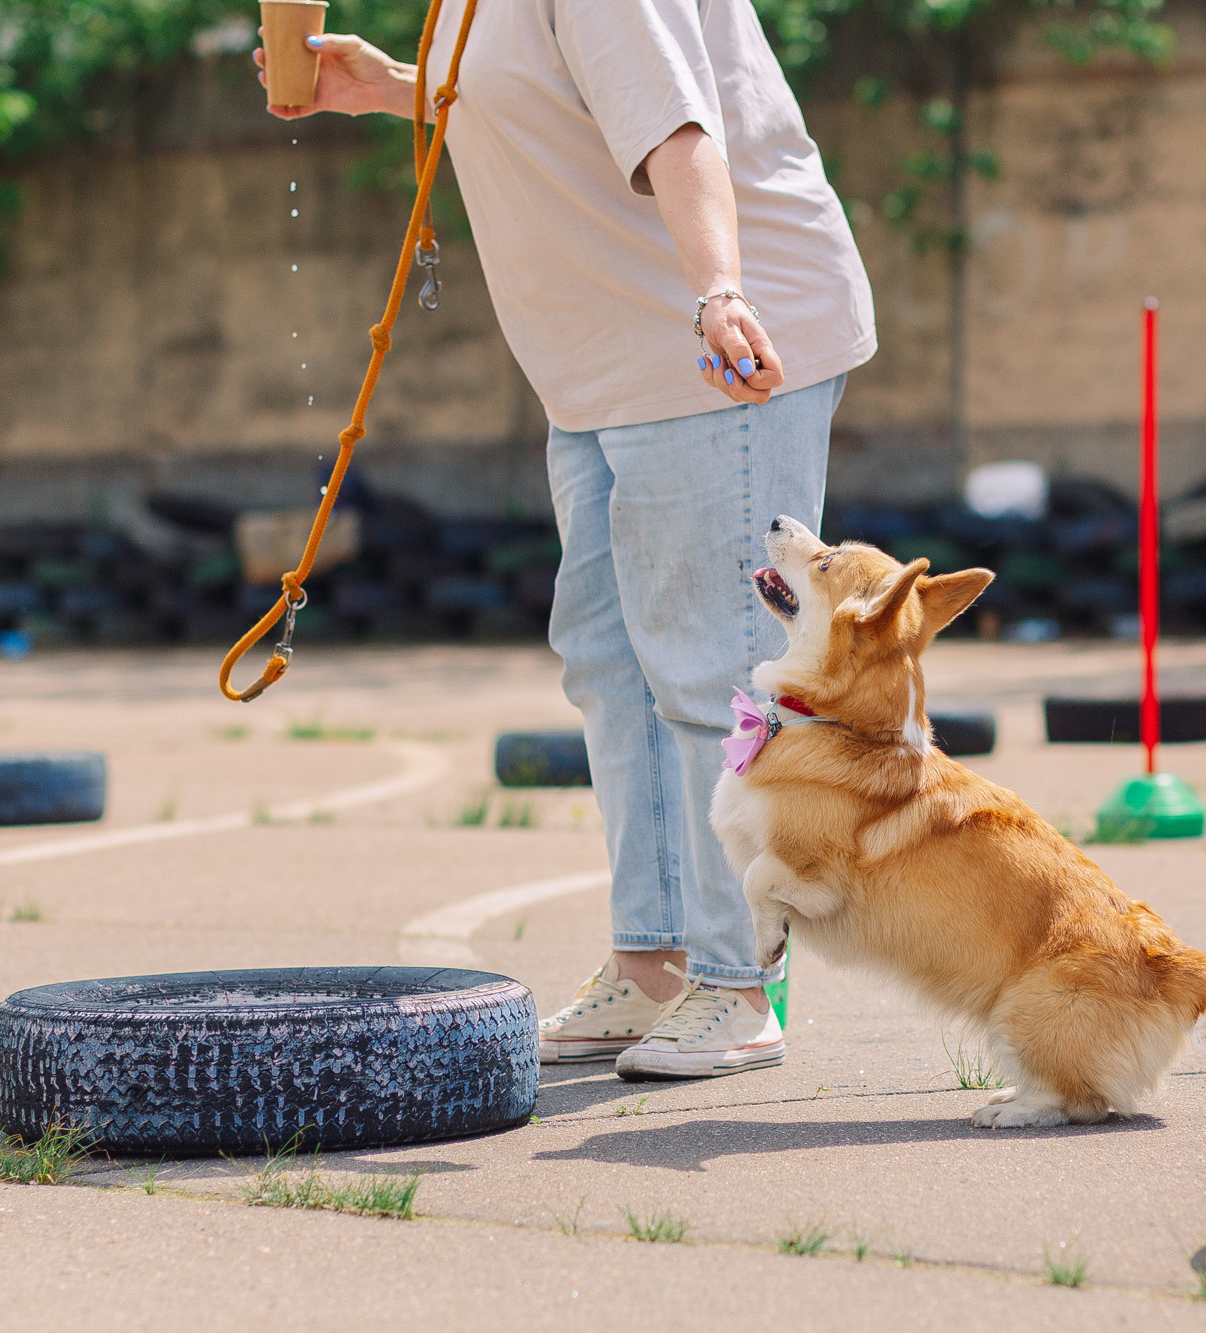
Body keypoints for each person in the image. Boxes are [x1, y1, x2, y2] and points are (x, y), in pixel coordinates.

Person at [256, 2, 875, 1078]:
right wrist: (394, 86)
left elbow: (675, 128)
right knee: (608, 662)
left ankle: (737, 983)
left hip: (713, 355)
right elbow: (546, 96)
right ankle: (652, 964)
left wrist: (719, 292)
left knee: (713, 666)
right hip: (600, 370)